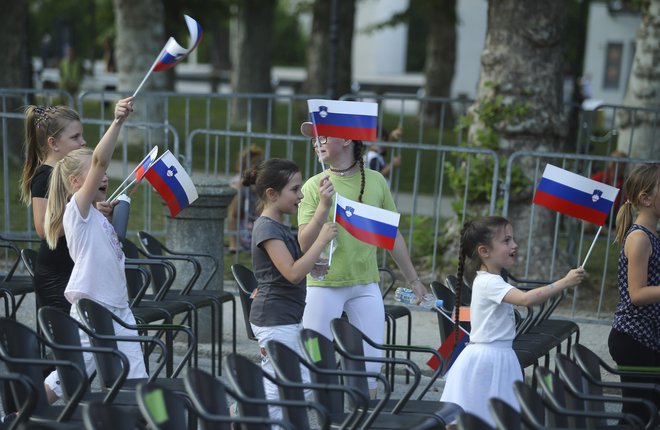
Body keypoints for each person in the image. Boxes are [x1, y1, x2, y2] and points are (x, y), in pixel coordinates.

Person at [297, 120, 429, 399]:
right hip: (324, 285)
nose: (316, 143)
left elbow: (391, 235)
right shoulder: (313, 186)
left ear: (346, 140)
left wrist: (414, 280)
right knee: (312, 362)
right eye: (314, 139)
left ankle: (362, 416)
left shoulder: (377, 181)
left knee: (370, 372)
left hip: (365, 285)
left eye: (323, 137)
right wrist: (323, 207)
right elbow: (303, 243)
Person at [42, 97, 148, 403]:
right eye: (94, 174)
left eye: (102, 173)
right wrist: (117, 122)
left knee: (138, 379)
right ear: (77, 182)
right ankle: (20, 413)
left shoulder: (96, 216)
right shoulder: (77, 209)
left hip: (117, 307)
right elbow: (100, 159)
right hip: (92, 308)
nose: (103, 175)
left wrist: (114, 217)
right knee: (67, 377)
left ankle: (148, 422)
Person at [440, 216, 585, 426]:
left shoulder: (493, 279)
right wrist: (564, 282)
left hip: (500, 357)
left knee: (495, 419)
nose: (514, 245)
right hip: (486, 361)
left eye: (513, 239)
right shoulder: (488, 282)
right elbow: (526, 299)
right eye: (506, 240)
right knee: (467, 419)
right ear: (484, 251)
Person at [244, 158, 337, 418]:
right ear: (272, 194)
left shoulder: (276, 226)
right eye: (295, 189)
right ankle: (242, 413)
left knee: (300, 381)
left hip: (286, 317)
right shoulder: (266, 228)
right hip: (274, 318)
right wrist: (321, 241)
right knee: (285, 386)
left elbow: (294, 266)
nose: (301, 194)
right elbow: (293, 273)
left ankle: (240, 412)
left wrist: (314, 265)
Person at [608, 163, 660, 423]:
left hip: (647, 334)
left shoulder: (652, 235)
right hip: (632, 337)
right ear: (646, 199)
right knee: (637, 415)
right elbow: (637, 294)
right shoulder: (639, 238)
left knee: (648, 412)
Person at [227, 144, 264, 253]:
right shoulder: (238, 182)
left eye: (260, 163)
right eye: (254, 164)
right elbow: (233, 215)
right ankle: (233, 244)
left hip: (259, 223)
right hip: (244, 228)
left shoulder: (263, 181)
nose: (257, 167)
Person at [591, 150, 627, 218]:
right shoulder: (599, 177)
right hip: (597, 211)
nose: (613, 164)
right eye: (612, 161)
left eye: (618, 162)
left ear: (624, 166)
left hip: (616, 215)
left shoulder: (626, 183)